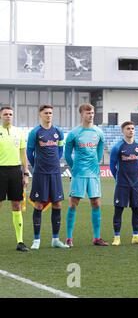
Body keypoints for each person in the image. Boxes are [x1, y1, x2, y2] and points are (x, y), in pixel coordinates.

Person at [64, 103, 108, 247]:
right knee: (73, 203)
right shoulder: (74, 133)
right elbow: (67, 155)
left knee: (96, 202)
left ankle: (97, 238)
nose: (91, 115)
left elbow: (100, 151)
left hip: (93, 173)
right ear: (81, 114)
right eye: (88, 113)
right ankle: (69, 238)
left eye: (92, 112)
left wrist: (95, 165)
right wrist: (75, 168)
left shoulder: (98, 132)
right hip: (79, 173)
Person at [27, 104, 68, 249]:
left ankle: (55, 240)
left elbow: (61, 149)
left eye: (50, 113)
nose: (49, 115)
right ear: (40, 115)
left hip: (55, 173)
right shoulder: (35, 132)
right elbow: (29, 153)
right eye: (46, 113)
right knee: (38, 204)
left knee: (57, 204)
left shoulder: (58, 132)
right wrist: (37, 165)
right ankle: (36, 240)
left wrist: (54, 162)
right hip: (40, 173)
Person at [110, 121, 138, 246]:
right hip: (122, 184)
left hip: (136, 184)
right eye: (128, 128)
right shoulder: (118, 147)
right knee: (118, 210)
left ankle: (135, 236)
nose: (131, 130)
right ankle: (116, 237)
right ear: (123, 131)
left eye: (132, 128)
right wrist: (118, 179)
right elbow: (112, 166)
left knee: (136, 209)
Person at [0, 106, 30, 251]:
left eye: (10, 114)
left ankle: (20, 241)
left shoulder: (19, 132)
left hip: (15, 171)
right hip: (0, 170)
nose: (8, 116)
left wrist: (25, 173)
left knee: (17, 205)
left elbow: (23, 154)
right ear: (1, 116)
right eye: (5, 114)